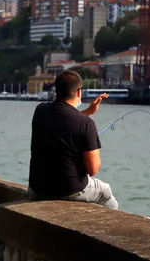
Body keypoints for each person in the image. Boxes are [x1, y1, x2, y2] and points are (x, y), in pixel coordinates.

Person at [28, 70, 118, 209]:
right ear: (79, 93)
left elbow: (63, 120)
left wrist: (88, 112)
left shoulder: (40, 111)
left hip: (37, 189)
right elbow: (93, 169)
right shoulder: (86, 123)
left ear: (56, 90)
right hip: (70, 190)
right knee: (106, 192)